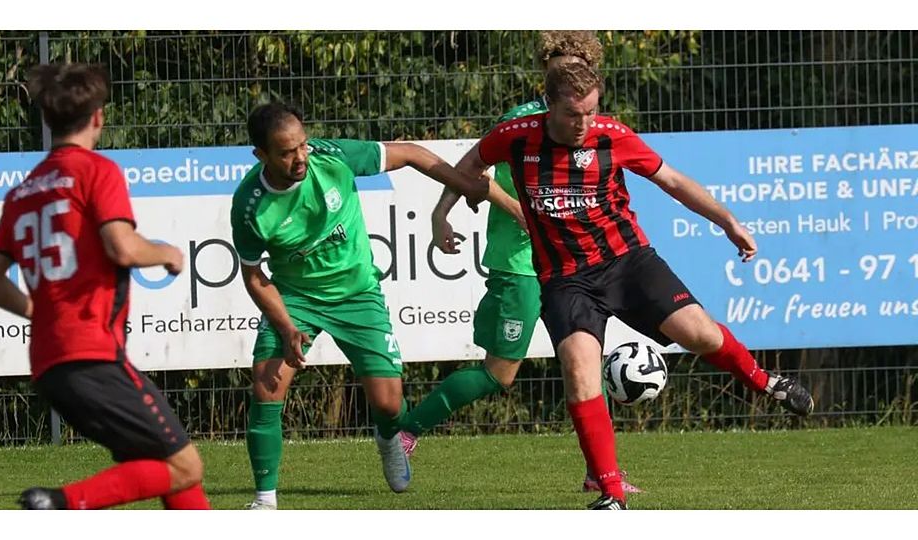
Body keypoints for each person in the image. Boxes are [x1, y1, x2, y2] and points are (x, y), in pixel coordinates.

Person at [452, 61, 814, 509]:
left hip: (627, 263)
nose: (583, 123)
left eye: (590, 111)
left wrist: (728, 222)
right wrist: (448, 209)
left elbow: (674, 181)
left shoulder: (612, 135)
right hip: (566, 280)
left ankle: (765, 382)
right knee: (580, 369)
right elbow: (468, 166)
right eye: (571, 114)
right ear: (549, 106)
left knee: (700, 334)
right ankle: (611, 494)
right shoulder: (516, 135)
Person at [403, 30, 641, 494]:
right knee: (500, 373)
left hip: (577, 265)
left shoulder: (590, 125)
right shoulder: (522, 121)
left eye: (579, 66)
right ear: (548, 72)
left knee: (586, 362)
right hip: (522, 264)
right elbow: (475, 170)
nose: (569, 74)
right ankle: (406, 429)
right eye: (561, 66)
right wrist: (443, 214)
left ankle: (602, 474)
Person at [233, 101, 489, 509]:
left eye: (302, 145)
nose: (300, 157)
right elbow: (254, 277)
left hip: (357, 294)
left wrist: (466, 184)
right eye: (285, 152)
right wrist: (285, 326)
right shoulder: (250, 205)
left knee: (389, 404)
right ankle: (265, 502)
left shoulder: (332, 157)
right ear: (260, 155)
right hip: (296, 298)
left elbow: (411, 153)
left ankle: (389, 437)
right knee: (266, 385)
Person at [0, 63, 210, 510]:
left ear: (47, 120)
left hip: (49, 362)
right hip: (93, 355)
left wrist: (37, 312)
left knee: (169, 472)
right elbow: (121, 247)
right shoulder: (96, 171)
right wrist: (166, 253)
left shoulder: (22, 192)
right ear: (99, 117)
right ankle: (58, 505)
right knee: (187, 467)